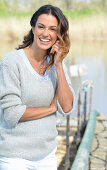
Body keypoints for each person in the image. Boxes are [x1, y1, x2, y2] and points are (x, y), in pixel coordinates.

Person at [0, 4, 75, 170]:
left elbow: (67, 107)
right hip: (14, 156)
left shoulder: (57, 63)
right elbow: (12, 114)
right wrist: (50, 109)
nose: (46, 33)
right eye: (41, 27)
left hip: (46, 155)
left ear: (59, 34)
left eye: (52, 29)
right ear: (33, 28)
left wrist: (59, 65)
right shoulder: (11, 62)